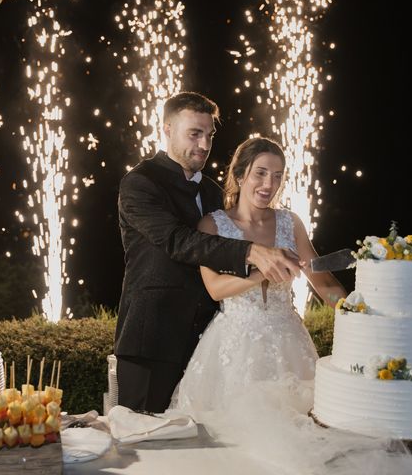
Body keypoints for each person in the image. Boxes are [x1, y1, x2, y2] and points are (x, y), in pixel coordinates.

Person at [114, 92, 302, 413]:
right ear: (167, 129)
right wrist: (252, 253)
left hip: (209, 345)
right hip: (153, 339)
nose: (203, 144)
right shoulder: (140, 183)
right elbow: (178, 241)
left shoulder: (212, 192)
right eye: (194, 134)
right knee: (144, 444)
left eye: (209, 135)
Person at [171, 136, 347, 415]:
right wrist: (261, 273)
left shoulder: (291, 222)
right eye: (261, 173)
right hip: (235, 347)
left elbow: (324, 282)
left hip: (289, 344)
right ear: (240, 175)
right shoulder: (212, 225)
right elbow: (215, 289)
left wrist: (353, 312)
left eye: (277, 176)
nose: (269, 185)